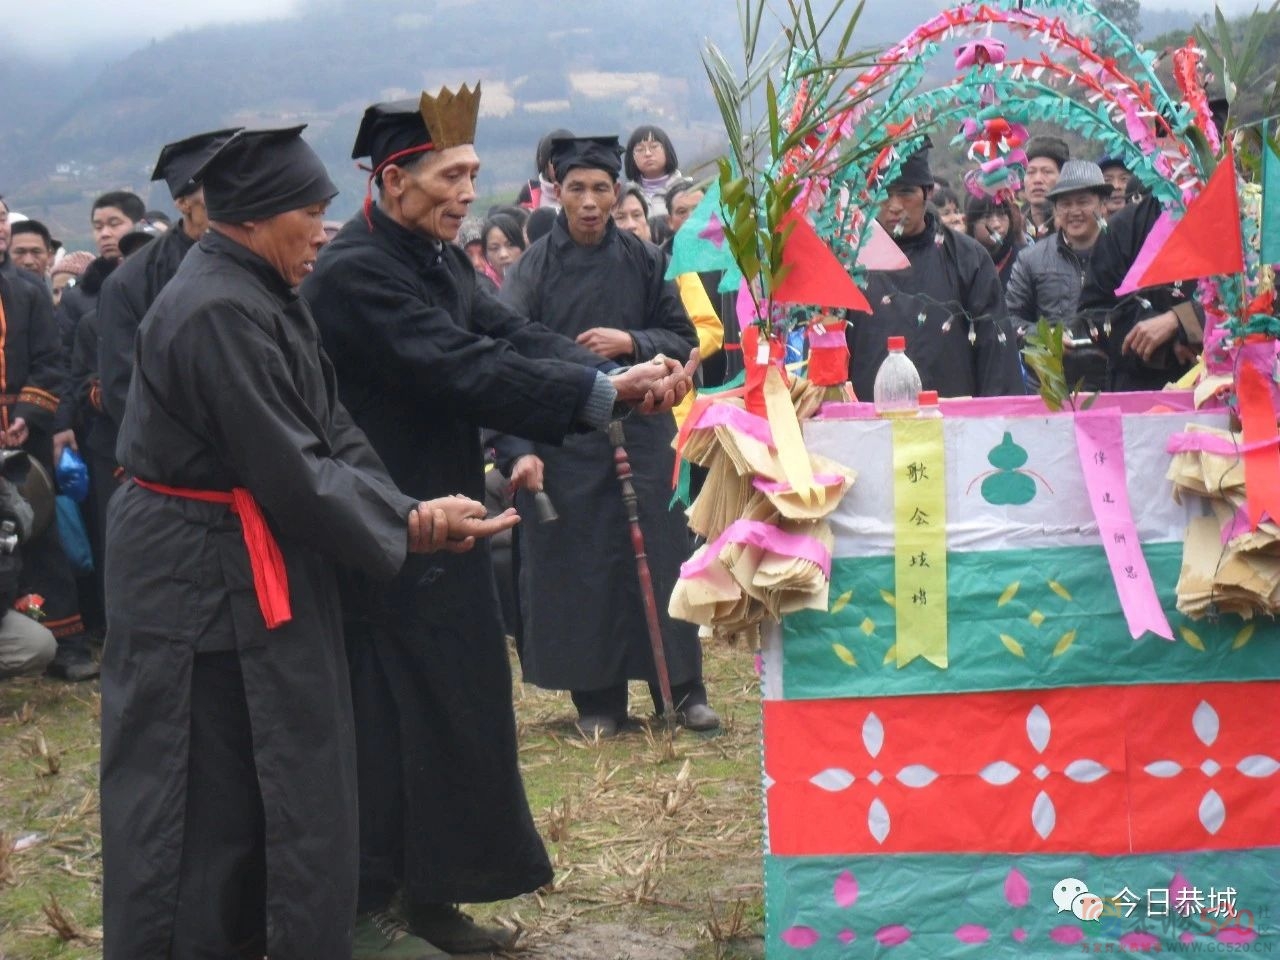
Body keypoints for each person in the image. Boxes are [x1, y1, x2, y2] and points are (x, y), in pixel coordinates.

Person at [99, 124, 519, 960]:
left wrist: (409, 506)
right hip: (194, 575)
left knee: (277, 776)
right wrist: (406, 527)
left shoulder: (266, 291)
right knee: (199, 788)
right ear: (254, 217)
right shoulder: (214, 306)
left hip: (249, 557)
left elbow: (332, 433)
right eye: (310, 213)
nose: (324, 231)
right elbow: (289, 467)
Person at [303, 93, 697, 959]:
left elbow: (510, 331)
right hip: (380, 524)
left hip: (453, 523)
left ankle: (434, 895)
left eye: (474, 174)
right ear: (395, 179)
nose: (466, 193)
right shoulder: (357, 272)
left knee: (460, 709)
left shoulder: (437, 258)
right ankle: (365, 913)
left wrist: (630, 366)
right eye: (452, 176)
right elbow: (460, 367)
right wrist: (604, 396)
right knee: (381, 722)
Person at [499, 134, 718, 738]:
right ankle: (597, 701)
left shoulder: (645, 261)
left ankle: (683, 689)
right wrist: (516, 448)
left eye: (601, 188)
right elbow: (505, 355)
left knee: (662, 554)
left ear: (617, 192)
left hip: (643, 432)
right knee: (584, 567)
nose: (590, 202)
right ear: (558, 193)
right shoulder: (532, 269)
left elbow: (683, 338)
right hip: (566, 441)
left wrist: (631, 343)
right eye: (577, 189)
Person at [844, 141, 1024, 399]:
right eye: (883, 192)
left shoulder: (967, 258)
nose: (894, 205)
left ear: (927, 192)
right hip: (867, 424)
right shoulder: (850, 260)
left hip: (952, 423)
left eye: (905, 192)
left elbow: (996, 355)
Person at [1006, 159, 1113, 391]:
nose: (1074, 211)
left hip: (1115, 384)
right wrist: (1045, 336)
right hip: (1050, 389)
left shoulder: (1123, 253)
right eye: (1065, 204)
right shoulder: (1031, 259)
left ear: (1103, 205)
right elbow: (1009, 320)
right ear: (1055, 210)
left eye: (1084, 202)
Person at [964, 193, 1027, 289]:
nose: (996, 224)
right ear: (972, 224)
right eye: (987, 217)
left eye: (1002, 215)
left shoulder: (1024, 259)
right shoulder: (963, 262)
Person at [623, 124, 682, 219]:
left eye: (654, 147)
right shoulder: (625, 195)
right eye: (640, 149)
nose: (647, 153)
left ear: (667, 150)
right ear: (632, 157)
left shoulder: (688, 190)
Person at [1020, 135, 1069, 241]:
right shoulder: (1017, 227)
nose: (1037, 180)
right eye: (1030, 172)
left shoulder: (1074, 228)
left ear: (1063, 176)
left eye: (1047, 172)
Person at [516, 127, 572, 211]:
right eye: (556, 160)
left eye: (569, 158)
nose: (563, 164)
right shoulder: (529, 194)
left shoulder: (588, 194)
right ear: (545, 164)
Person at [481, 211, 526, 285]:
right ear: (486, 255)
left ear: (522, 246)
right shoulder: (482, 289)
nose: (503, 255)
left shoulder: (537, 279)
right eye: (495, 248)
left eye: (510, 245)